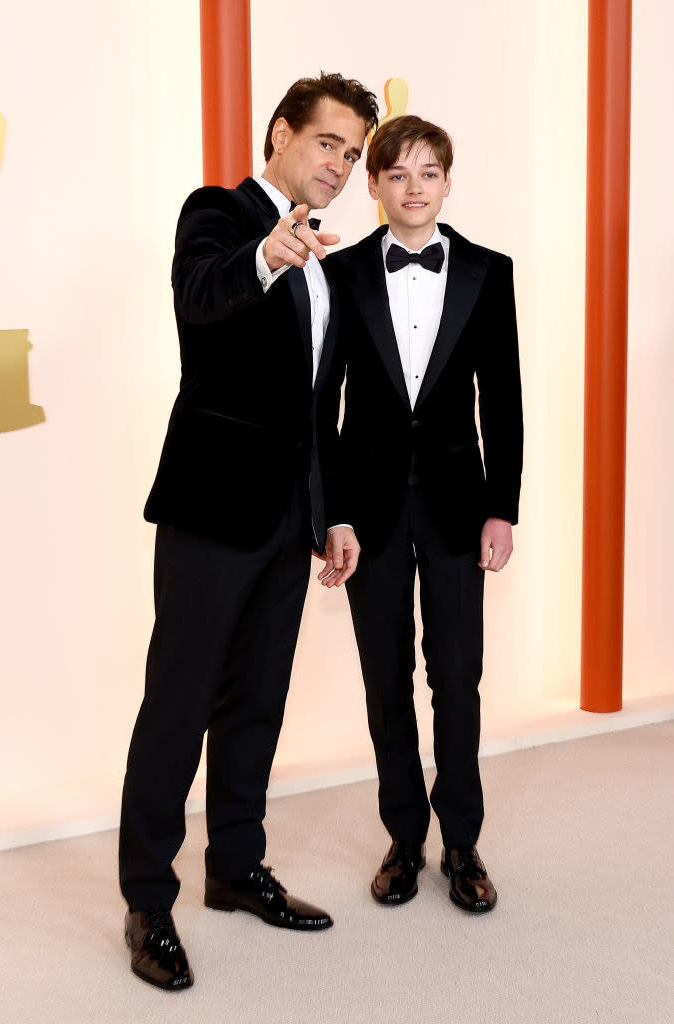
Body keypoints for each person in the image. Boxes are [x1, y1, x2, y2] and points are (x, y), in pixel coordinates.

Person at [119, 72, 378, 991]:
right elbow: (200, 296)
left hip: (287, 521)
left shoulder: (335, 261)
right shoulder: (220, 215)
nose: (340, 166)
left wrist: (334, 511)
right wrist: (265, 256)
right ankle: (149, 898)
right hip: (210, 504)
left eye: (351, 155)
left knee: (256, 703)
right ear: (280, 134)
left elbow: (321, 407)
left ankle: (234, 870)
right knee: (177, 704)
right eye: (327, 144)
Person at [320, 115, 523, 914]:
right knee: (383, 679)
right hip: (365, 512)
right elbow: (322, 404)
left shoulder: (487, 271)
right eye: (396, 174)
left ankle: (462, 842)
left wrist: (501, 509)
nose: (412, 188)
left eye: (427, 173)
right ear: (372, 186)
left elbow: (501, 401)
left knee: (457, 678)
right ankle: (403, 838)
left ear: (447, 181)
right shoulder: (339, 275)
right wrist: (329, 513)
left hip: (454, 504)